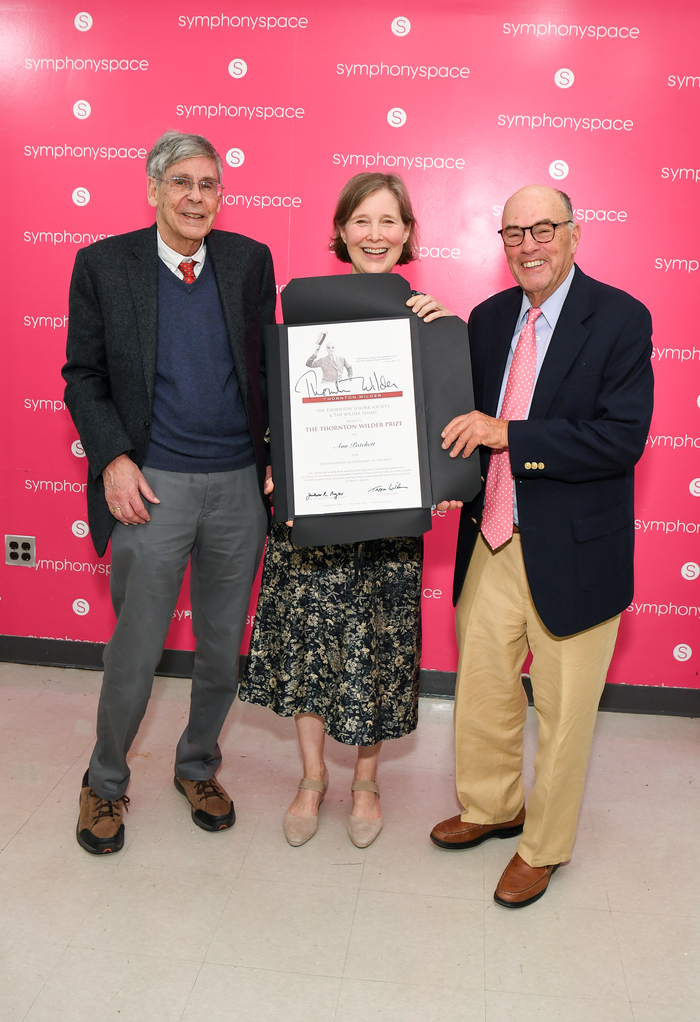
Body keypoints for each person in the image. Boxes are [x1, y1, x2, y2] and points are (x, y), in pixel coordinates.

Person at [430, 185, 653, 906]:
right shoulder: (490, 320)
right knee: (486, 691)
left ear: (574, 234)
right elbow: (454, 414)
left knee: (562, 713)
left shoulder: (620, 318)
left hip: (576, 550)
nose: (529, 244)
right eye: (513, 233)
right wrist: (423, 329)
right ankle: (494, 808)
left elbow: (620, 440)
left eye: (543, 229)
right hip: (491, 537)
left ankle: (544, 847)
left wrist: (511, 436)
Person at [63, 131, 276, 854]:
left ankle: (197, 766)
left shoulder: (250, 262)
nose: (195, 196)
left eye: (208, 184)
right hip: (150, 486)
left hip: (239, 484)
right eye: (181, 182)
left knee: (221, 648)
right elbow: (82, 375)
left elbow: (267, 370)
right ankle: (104, 783)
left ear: (222, 194)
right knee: (136, 650)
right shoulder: (101, 264)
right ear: (154, 189)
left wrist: (277, 458)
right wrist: (114, 459)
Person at [239, 172, 452, 848]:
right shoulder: (303, 312)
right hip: (314, 511)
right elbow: (277, 401)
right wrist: (277, 467)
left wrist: (445, 476)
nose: (376, 235)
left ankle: (365, 780)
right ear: (341, 232)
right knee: (306, 644)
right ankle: (310, 779)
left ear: (408, 234)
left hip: (388, 520)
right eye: (362, 221)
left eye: (389, 222)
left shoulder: (433, 320)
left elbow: (446, 417)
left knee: (377, 646)